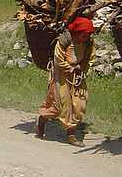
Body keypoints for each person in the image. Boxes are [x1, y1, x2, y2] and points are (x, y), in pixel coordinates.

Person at [35, 17, 96, 146]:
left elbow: (89, 57)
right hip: (61, 75)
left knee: (79, 105)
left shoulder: (89, 43)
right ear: (77, 33)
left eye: (88, 35)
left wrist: (82, 68)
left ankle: (71, 133)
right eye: (84, 35)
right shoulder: (64, 41)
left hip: (77, 76)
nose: (86, 38)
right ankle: (43, 120)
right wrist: (70, 68)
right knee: (60, 105)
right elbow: (58, 61)